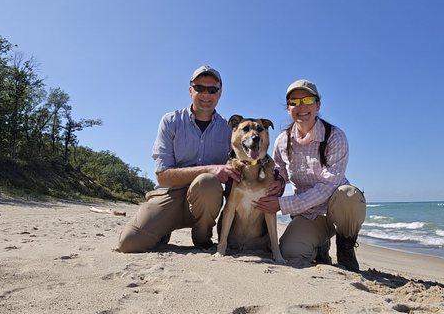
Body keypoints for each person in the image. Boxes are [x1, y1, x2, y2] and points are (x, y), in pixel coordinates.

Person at [118, 65, 240, 253]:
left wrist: (276, 180)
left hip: (206, 200)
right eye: (199, 88)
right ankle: (163, 229)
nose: (206, 95)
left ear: (220, 93)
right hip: (169, 195)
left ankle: (202, 237)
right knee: (129, 243)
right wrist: (211, 169)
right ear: (190, 90)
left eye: (212, 90)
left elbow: (242, 166)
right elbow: (162, 176)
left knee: (207, 182)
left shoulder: (228, 130)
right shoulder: (170, 121)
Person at [254, 79, 366, 271]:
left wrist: (281, 205)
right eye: (294, 102)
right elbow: (279, 172)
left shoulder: (335, 137)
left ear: (318, 104)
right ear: (288, 108)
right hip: (309, 214)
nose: (301, 107)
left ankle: (346, 249)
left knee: (349, 194)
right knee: (291, 252)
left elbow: (327, 186)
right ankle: (320, 245)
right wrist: (278, 184)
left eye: (307, 100)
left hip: (335, 211)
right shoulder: (282, 140)